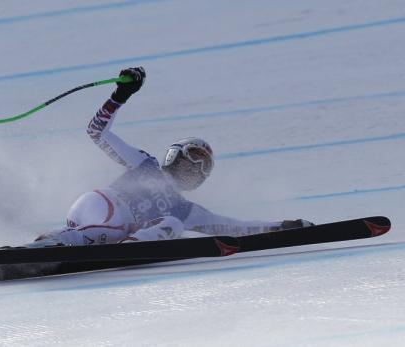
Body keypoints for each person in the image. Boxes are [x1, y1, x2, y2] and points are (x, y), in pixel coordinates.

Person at [27, 67, 312, 247]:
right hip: (99, 206)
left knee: (172, 224)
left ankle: (45, 246)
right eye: (193, 158)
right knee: (122, 225)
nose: (196, 168)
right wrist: (120, 95)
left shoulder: (184, 210)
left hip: (111, 232)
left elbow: (232, 226)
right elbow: (96, 132)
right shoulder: (145, 164)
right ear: (174, 156)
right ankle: (52, 245)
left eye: (204, 167)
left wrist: (285, 227)